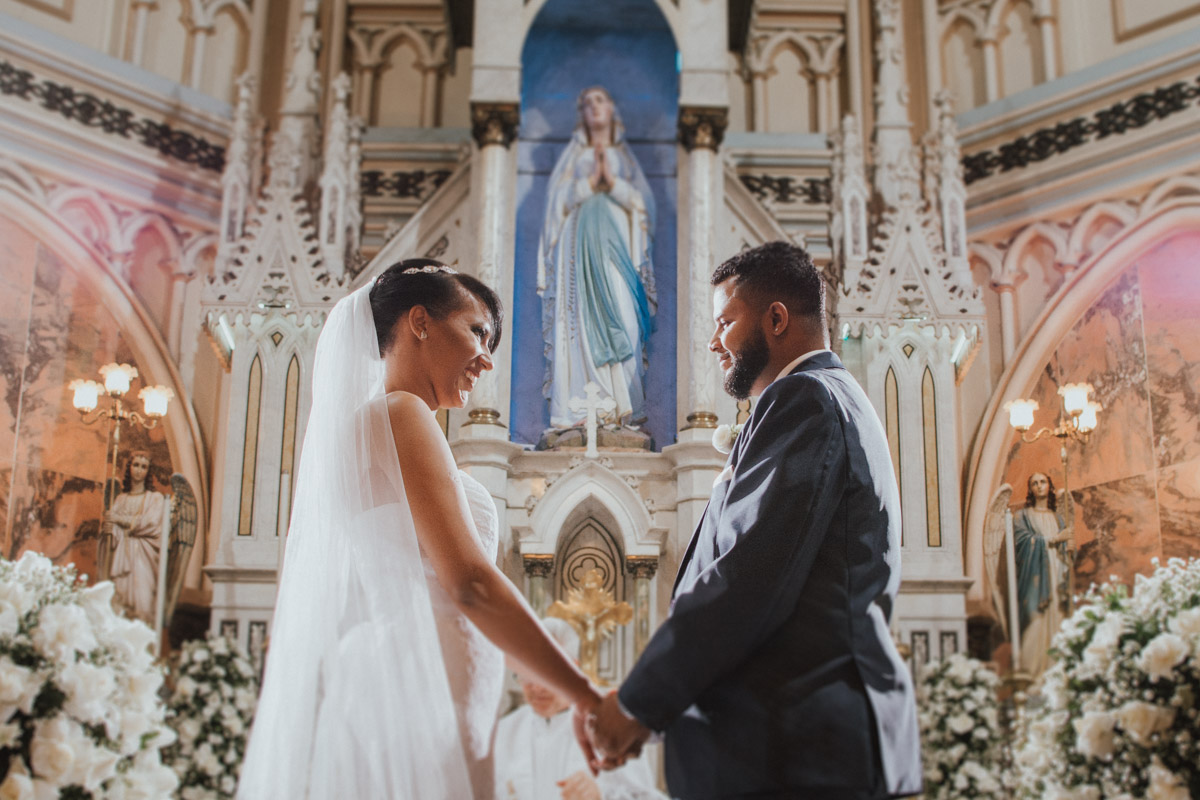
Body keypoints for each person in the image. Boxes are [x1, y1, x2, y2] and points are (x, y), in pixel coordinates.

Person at [238, 260, 602, 799]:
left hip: (431, 682)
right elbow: (471, 584)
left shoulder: (383, 424)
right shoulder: (402, 412)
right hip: (421, 687)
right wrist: (587, 696)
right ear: (420, 322)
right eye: (477, 331)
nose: (485, 358)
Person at [583, 242, 923, 799]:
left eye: (725, 322)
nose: (715, 341)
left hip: (797, 750)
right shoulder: (828, 398)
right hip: (800, 743)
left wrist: (637, 704)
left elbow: (748, 577)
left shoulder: (804, 400)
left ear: (777, 318)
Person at [538, 86, 657, 428]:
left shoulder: (626, 158)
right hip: (577, 250)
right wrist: (591, 183)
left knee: (623, 314)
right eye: (586, 102)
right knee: (578, 321)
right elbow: (555, 208)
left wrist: (614, 184)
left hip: (617, 247)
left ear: (612, 109)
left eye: (600, 100)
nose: (593, 107)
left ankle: (621, 405)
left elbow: (643, 207)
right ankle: (579, 410)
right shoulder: (574, 157)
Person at [495, 618, 666, 800]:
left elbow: (645, 796)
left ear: (571, 668)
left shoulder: (608, 727)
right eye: (527, 675)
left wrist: (601, 795)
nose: (536, 687)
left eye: (545, 676)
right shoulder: (504, 732)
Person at [1013, 471, 1071, 677]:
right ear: (1030, 489)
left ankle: (1058, 669)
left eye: (1043, 482)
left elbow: (1067, 551)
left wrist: (1067, 544)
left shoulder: (1058, 518)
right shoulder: (1023, 517)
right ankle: (1034, 672)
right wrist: (1053, 540)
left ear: (1050, 486)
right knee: (1036, 618)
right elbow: (1021, 544)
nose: (1039, 486)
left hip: (1056, 573)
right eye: (1034, 483)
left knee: (1058, 615)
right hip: (1035, 576)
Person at [106, 450, 168, 624]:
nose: (139, 470)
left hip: (143, 558)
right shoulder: (120, 499)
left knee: (143, 600)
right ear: (129, 467)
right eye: (136, 465)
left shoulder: (155, 499)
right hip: (121, 556)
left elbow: (151, 524)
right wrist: (110, 529)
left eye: (144, 466)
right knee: (119, 601)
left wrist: (118, 519)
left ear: (149, 472)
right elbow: (112, 536)